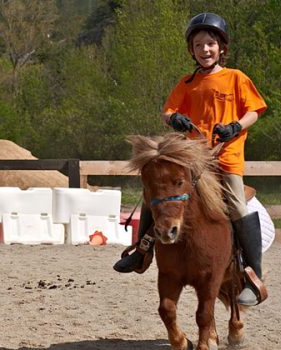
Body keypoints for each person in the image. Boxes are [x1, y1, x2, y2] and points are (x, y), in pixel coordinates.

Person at [113, 13, 268, 306]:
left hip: (226, 159)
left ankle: (253, 276)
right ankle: (141, 251)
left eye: (210, 44)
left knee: (235, 203)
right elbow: (168, 111)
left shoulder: (236, 77)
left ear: (222, 47)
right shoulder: (187, 82)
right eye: (199, 45)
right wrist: (177, 119)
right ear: (191, 50)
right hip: (193, 160)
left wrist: (236, 126)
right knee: (155, 195)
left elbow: (255, 110)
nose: (205, 50)